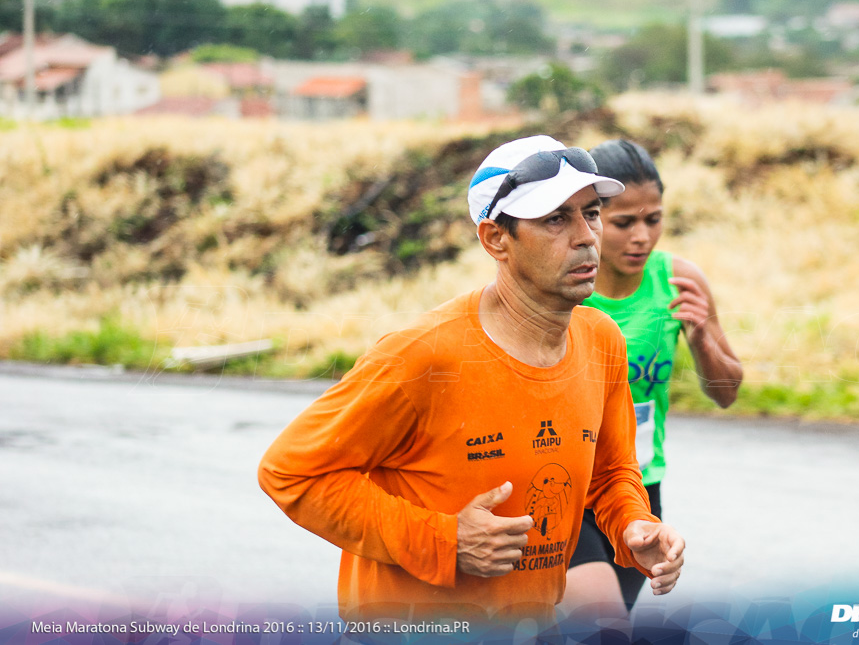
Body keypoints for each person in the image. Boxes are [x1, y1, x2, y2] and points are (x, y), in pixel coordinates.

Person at [258, 135, 686, 627]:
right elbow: (290, 473)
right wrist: (445, 540)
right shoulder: (421, 356)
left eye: (590, 212)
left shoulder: (601, 340)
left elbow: (611, 472)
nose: (586, 236)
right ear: (495, 239)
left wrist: (635, 525)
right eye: (554, 219)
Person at [563, 139, 743, 618]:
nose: (642, 236)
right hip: (563, 484)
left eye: (654, 219)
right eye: (623, 223)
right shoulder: (562, 283)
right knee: (599, 617)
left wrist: (702, 336)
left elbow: (727, 393)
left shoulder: (679, 280)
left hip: (638, 485)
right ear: (592, 218)